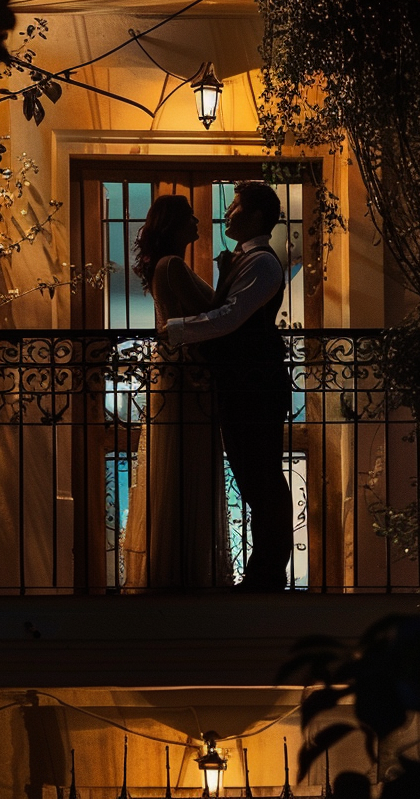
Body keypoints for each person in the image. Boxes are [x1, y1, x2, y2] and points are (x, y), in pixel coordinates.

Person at [165, 182, 293, 591]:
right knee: (254, 477)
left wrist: (176, 329)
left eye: (236, 204)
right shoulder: (247, 259)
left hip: (256, 384)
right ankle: (264, 572)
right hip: (242, 382)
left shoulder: (263, 264)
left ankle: (268, 575)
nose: (228, 209)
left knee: (263, 479)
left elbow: (231, 316)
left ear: (255, 215)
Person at [122, 195, 233, 590]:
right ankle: (184, 572)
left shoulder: (169, 266)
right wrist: (229, 272)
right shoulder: (172, 267)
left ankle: (178, 566)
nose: (198, 221)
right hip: (187, 380)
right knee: (189, 466)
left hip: (179, 376)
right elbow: (216, 315)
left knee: (182, 466)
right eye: (190, 216)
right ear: (174, 225)